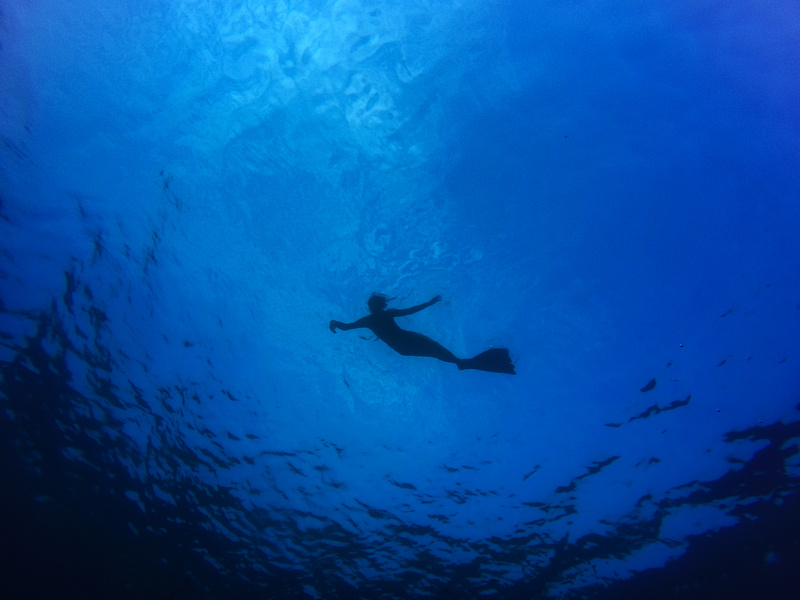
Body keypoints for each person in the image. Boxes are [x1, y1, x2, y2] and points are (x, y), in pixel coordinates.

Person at [329, 293, 516, 374]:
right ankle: (468, 363)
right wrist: (431, 302)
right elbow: (411, 310)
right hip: (407, 341)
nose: (377, 306)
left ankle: (465, 364)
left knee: (439, 352)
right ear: (378, 305)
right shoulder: (382, 315)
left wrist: (335, 323)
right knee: (438, 351)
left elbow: (346, 327)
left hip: (404, 345)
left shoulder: (369, 319)